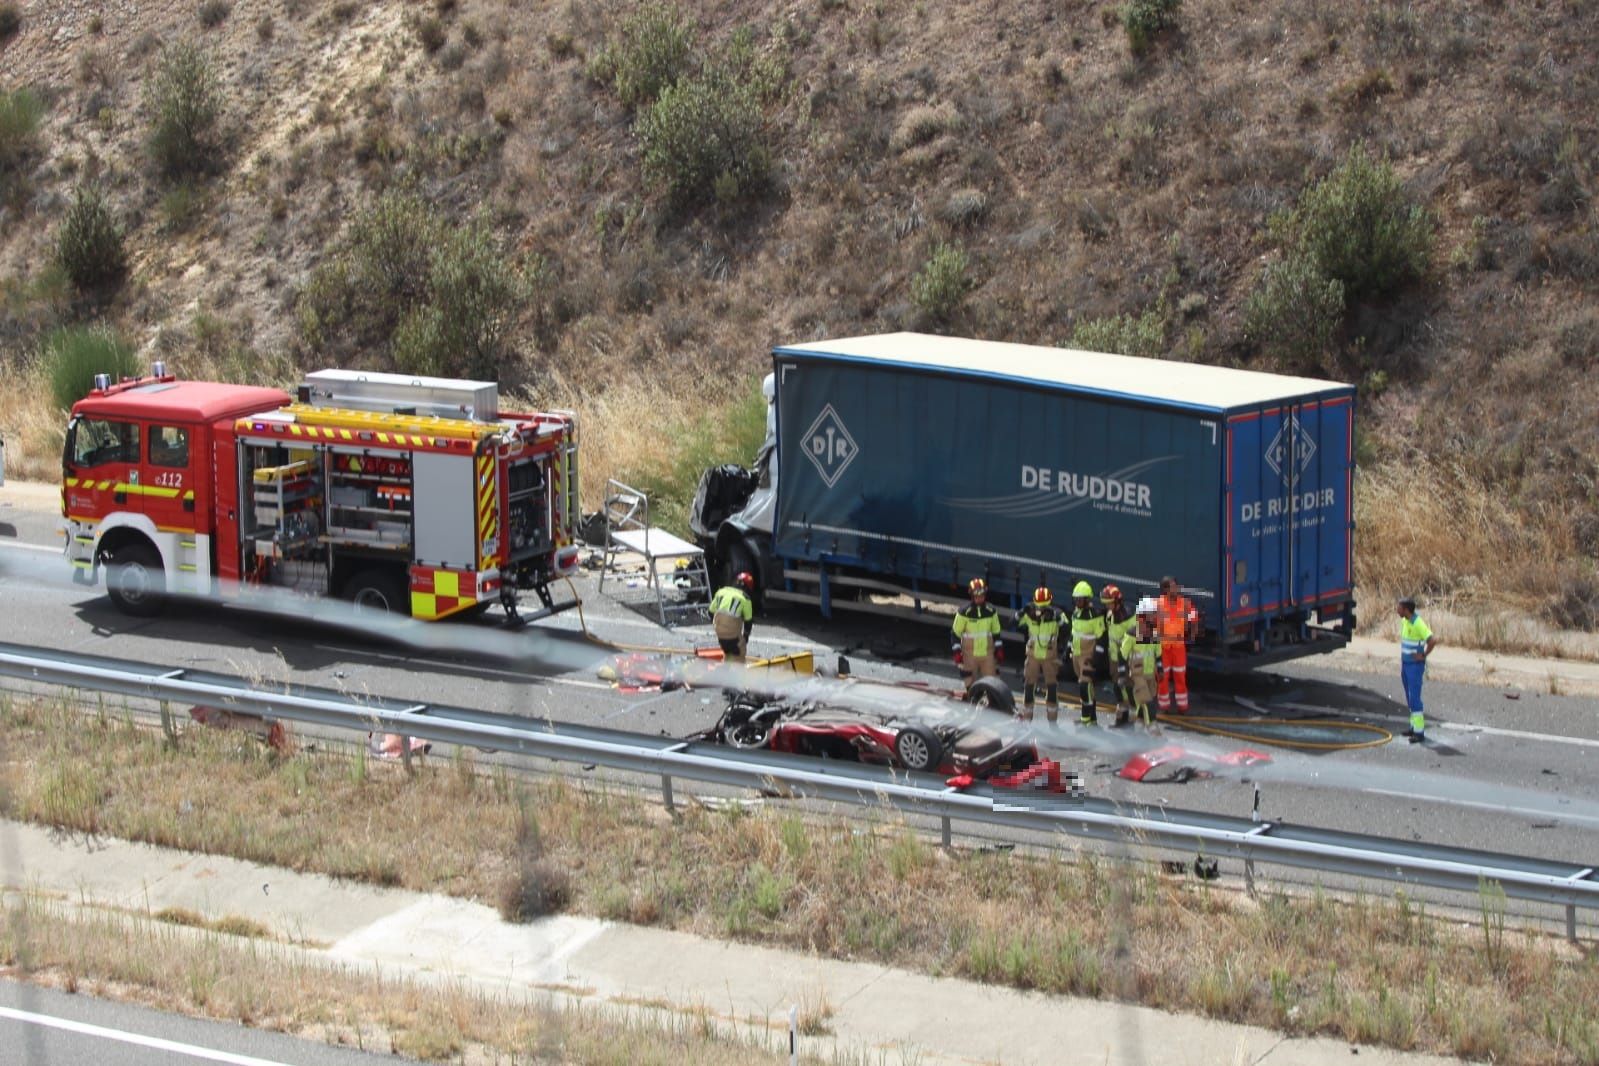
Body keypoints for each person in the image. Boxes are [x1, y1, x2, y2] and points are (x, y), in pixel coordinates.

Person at [1015, 586, 1063, 726]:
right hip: (1033, 656)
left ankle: (1052, 721)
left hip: (1050, 657)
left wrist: (1055, 616)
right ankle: (1027, 719)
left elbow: (1066, 626)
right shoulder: (1030, 614)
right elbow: (1013, 623)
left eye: (1044, 606)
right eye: (1039, 606)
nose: (1041, 609)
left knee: (1052, 687)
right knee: (1029, 686)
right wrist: (1023, 612)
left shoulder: (1056, 614)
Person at [1155, 575, 1198, 715]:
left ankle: (1182, 707)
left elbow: (1194, 617)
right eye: (1172, 586)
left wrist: (1191, 633)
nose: (1175, 589)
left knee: (1180, 677)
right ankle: (1164, 707)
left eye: (1175, 586)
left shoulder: (1184, 603)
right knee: (1162, 679)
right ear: (1165, 589)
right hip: (1164, 649)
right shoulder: (1158, 604)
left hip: (1178, 648)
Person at [952, 577, 1001, 692]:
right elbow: (955, 634)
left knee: (993, 684)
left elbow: (996, 632)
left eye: (982, 595)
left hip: (987, 653)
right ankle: (972, 703)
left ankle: (991, 706)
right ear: (972, 595)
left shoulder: (991, 611)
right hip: (969, 654)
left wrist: (999, 649)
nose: (979, 598)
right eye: (977, 595)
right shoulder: (964, 612)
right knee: (970, 685)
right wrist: (956, 652)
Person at [1398, 596, 1437, 744]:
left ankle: (1419, 732)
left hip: (1414, 667)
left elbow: (1432, 640)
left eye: (1399, 607)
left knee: (1415, 698)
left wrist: (1423, 655)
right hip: (1406, 665)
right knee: (1409, 697)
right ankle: (1413, 727)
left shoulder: (1418, 623)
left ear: (1406, 609)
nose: (1397, 609)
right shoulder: (1405, 621)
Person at [1069, 580, 1107, 725]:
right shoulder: (1076, 614)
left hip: (1088, 656)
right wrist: (1068, 649)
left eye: (1080, 599)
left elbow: (1101, 637)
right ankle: (1092, 718)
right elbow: (1074, 633)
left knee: (1085, 685)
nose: (1077, 602)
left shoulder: (1094, 615)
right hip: (1077, 654)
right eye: (1076, 599)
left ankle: (1086, 719)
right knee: (1087, 687)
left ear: (1087, 599)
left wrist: (1096, 657)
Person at [1122, 597, 1163, 732]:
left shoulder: (1155, 633)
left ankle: (1139, 724)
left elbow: (1157, 653)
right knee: (1147, 700)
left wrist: (1160, 669)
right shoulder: (1132, 633)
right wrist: (1123, 672)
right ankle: (1152, 727)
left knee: (1149, 698)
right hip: (1137, 673)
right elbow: (1123, 653)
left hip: (1150, 672)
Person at [1102, 584, 1137, 727]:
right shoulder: (1110, 616)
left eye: (1108, 603)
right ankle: (1122, 715)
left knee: (1128, 687)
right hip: (1115, 658)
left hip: (1128, 658)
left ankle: (1133, 718)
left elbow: (1134, 638)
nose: (1106, 607)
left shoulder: (1129, 617)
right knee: (1117, 686)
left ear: (1117, 602)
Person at [710, 571, 755, 663]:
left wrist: (719, 626)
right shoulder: (745, 598)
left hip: (719, 633)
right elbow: (748, 622)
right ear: (746, 587)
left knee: (727, 651)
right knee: (740, 651)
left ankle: (725, 669)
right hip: (733, 636)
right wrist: (745, 637)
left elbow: (710, 612)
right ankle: (736, 675)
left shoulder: (721, 592)